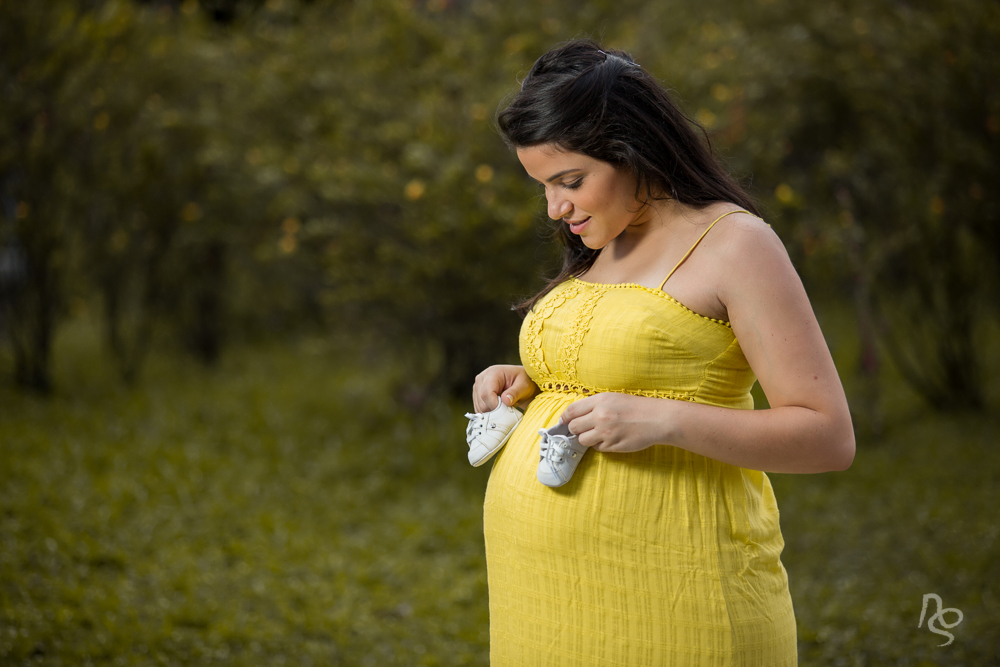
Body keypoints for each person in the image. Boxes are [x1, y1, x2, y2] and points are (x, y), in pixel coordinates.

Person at [470, 39, 855, 666]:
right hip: (540, 605)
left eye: (571, 181)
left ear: (633, 150)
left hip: (680, 601)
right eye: (542, 185)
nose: (555, 207)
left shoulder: (735, 244)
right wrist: (531, 381)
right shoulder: (602, 240)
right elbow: (617, 361)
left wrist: (667, 420)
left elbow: (828, 436)